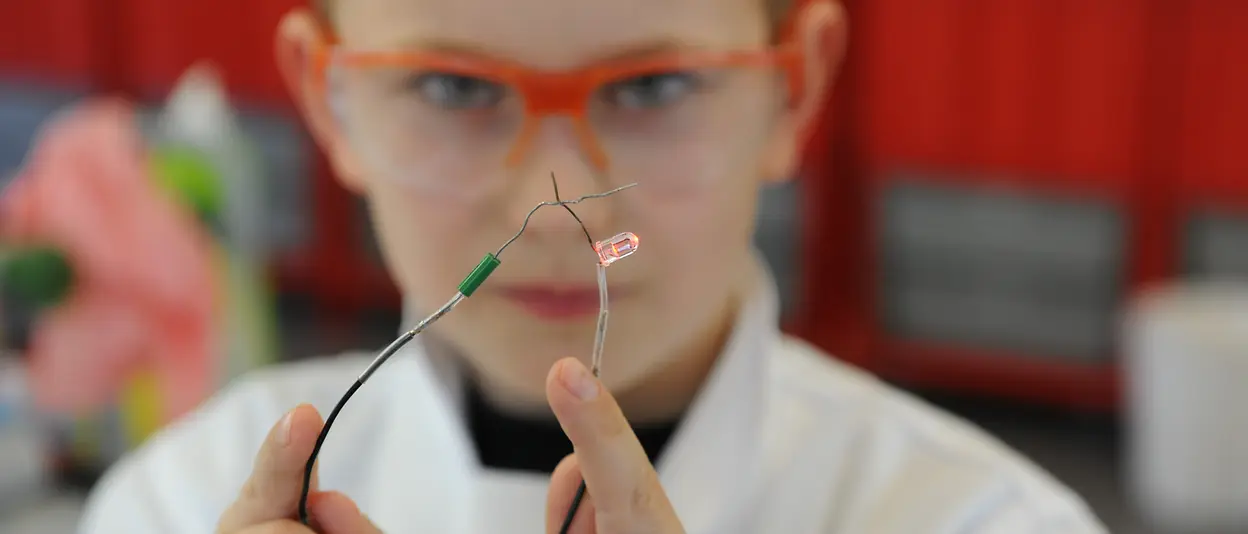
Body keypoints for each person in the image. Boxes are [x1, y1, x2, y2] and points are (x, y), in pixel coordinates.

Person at [76, 0, 1109, 532]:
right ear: (328, 98)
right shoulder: (176, 503)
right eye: (450, 88)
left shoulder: (981, 522)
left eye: (654, 89)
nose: (550, 212)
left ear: (794, 90)